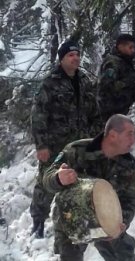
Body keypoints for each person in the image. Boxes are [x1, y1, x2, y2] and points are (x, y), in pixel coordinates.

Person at [43, 114, 135, 261]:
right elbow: (47, 179)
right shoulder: (77, 150)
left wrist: (122, 222)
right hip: (72, 218)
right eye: (129, 134)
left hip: (107, 219)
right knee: (70, 256)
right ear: (113, 135)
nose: (134, 140)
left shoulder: (128, 164)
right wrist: (58, 178)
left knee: (124, 253)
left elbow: (130, 199)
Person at [30, 40, 97, 238]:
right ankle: (38, 221)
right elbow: (38, 115)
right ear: (62, 59)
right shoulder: (50, 82)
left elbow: (93, 110)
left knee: (78, 179)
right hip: (55, 145)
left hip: (79, 144)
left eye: (77, 54)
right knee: (45, 182)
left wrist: (95, 136)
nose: (75, 58)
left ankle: (76, 218)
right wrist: (41, 145)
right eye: (70, 55)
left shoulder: (83, 80)